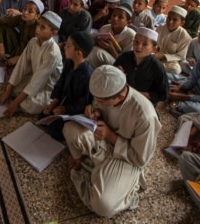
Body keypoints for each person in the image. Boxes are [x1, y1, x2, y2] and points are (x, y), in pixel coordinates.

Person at [63, 66, 161, 218]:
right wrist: (96, 112)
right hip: (103, 139)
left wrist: (110, 136)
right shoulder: (108, 93)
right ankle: (91, 165)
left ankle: (125, 187)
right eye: (95, 98)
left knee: (103, 206)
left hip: (126, 159)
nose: (97, 101)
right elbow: (99, 107)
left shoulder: (145, 116)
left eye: (101, 100)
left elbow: (140, 159)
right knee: (70, 129)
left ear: (120, 97)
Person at [0, 11, 63, 117]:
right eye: (38, 25)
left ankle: (23, 101)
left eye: (43, 27)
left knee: (30, 106)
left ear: (53, 33)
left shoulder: (53, 52)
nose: (37, 29)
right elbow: (21, 65)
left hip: (47, 86)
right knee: (14, 89)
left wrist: (15, 103)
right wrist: (9, 90)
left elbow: (39, 80)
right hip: (33, 78)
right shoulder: (33, 41)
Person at [41, 32, 95, 140]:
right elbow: (60, 83)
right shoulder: (69, 64)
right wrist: (55, 102)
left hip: (74, 111)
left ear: (78, 53)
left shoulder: (88, 74)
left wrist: (65, 109)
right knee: (42, 116)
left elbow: (84, 102)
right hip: (63, 104)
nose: (64, 47)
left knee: (54, 130)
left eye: (68, 46)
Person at [113, 27, 167, 106]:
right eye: (136, 41)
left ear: (154, 49)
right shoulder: (125, 57)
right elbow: (111, 75)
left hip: (143, 103)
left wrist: (138, 95)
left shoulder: (157, 67)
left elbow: (163, 94)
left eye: (145, 44)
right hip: (121, 97)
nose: (139, 46)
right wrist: (116, 73)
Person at [0, 0, 43, 66]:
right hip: (18, 47)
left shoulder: (38, 29)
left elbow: (37, 51)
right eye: (25, 9)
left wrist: (19, 58)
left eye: (30, 11)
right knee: (5, 28)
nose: (25, 12)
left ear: (37, 16)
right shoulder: (21, 18)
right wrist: (0, 44)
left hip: (28, 54)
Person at [88, 3, 136, 68]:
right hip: (102, 59)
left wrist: (111, 48)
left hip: (120, 65)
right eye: (114, 15)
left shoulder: (131, 36)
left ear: (128, 22)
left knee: (97, 52)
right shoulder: (105, 28)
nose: (115, 19)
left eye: (120, 17)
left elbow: (126, 62)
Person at [155, 6, 191, 75]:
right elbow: (153, 43)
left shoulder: (185, 37)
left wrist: (163, 56)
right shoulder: (160, 28)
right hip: (155, 55)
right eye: (169, 18)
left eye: (175, 20)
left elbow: (180, 56)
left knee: (176, 69)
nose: (170, 22)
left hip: (170, 61)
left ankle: (156, 66)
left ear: (182, 23)